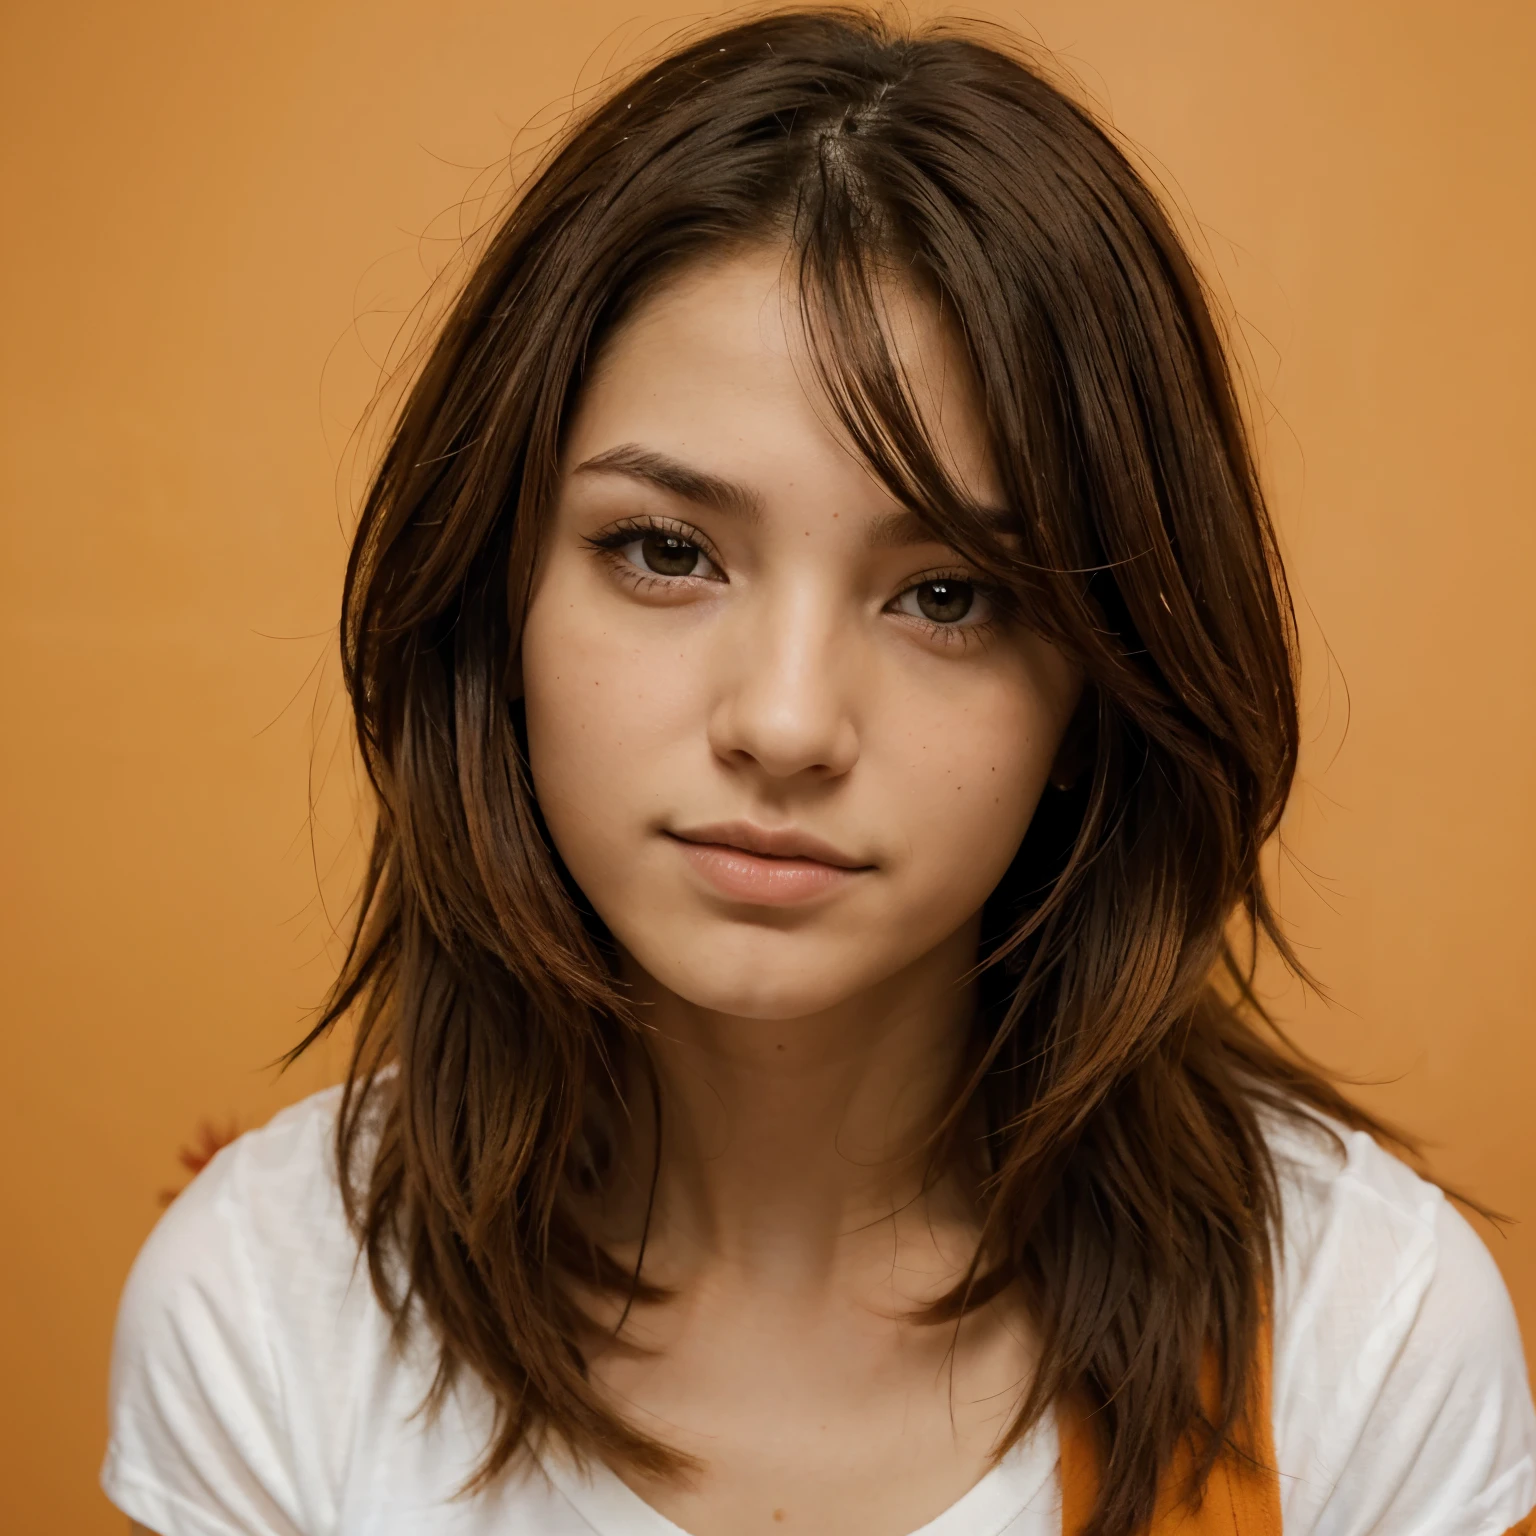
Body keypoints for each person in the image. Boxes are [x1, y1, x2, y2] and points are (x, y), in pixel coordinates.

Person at [102, 10, 1536, 1535]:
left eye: (949, 594)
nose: (785, 726)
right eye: (665, 553)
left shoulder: (1350, 1335)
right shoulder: (264, 1309)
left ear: (1100, 690)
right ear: (496, 601)